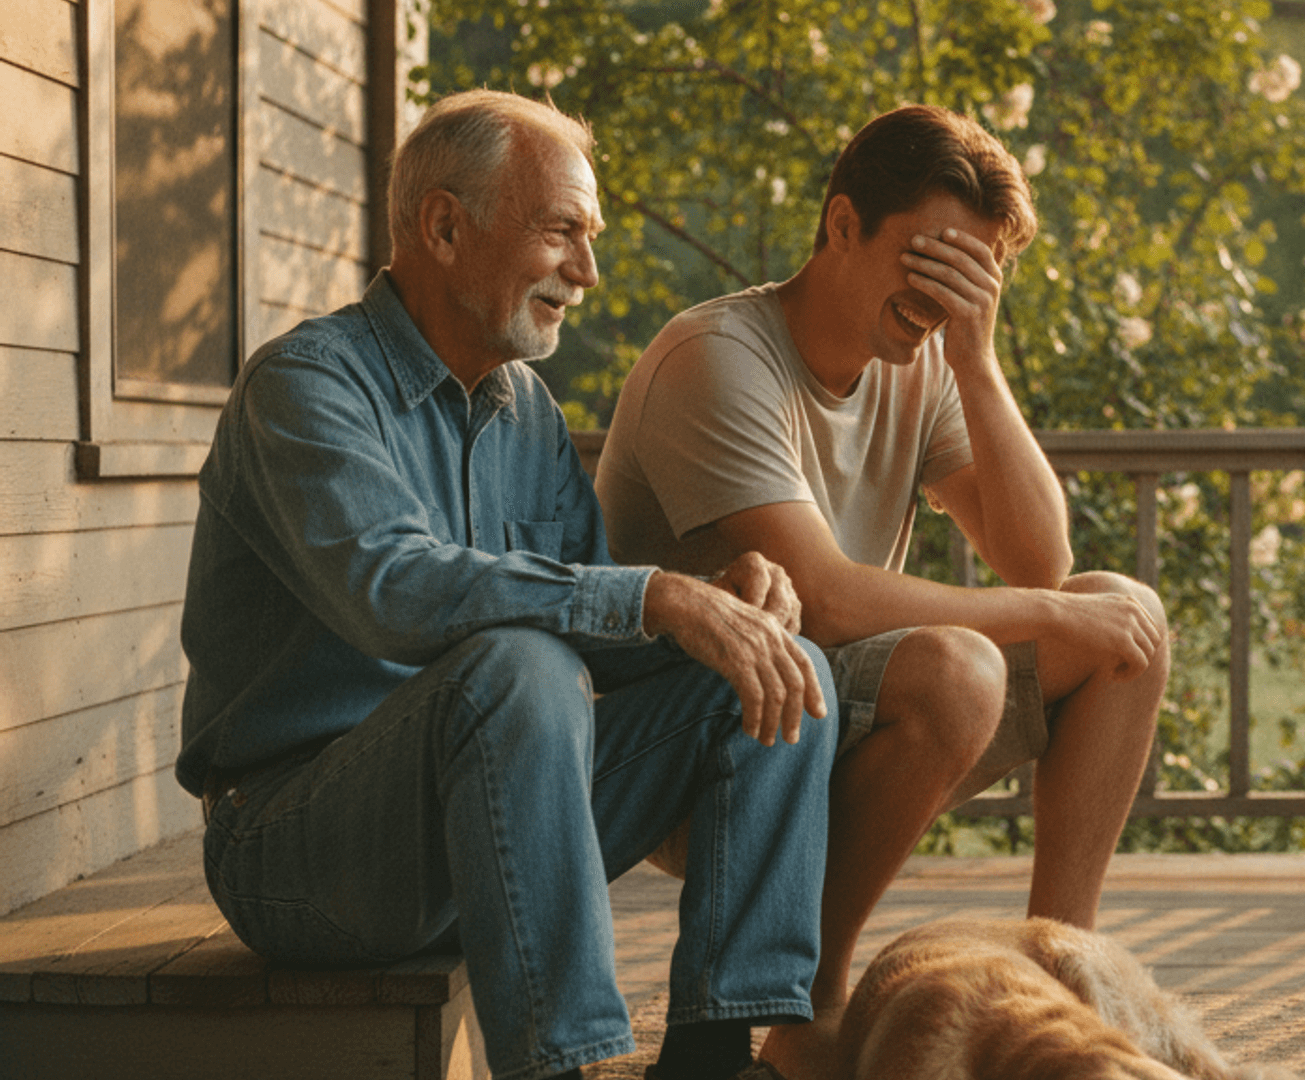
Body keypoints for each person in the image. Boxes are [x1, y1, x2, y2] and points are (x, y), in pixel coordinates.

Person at [176, 89, 837, 1080]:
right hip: (300, 851)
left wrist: (712, 604)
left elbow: (589, 612)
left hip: (491, 806)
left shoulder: (523, 408)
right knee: (520, 667)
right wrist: (658, 595)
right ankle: (556, 1067)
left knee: (783, 671)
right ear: (444, 225)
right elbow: (391, 588)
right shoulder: (306, 386)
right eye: (563, 231)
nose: (588, 270)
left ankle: (710, 1057)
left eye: (592, 237)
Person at [594, 104, 1171, 1078]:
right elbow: (823, 598)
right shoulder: (718, 359)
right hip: (708, 764)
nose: (943, 295)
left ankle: (1060, 963)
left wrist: (978, 364)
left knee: (1128, 618)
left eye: (973, 273)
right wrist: (1049, 611)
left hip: (832, 717)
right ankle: (805, 1007)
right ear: (843, 223)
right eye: (927, 257)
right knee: (957, 669)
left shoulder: (921, 364)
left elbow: (1038, 556)